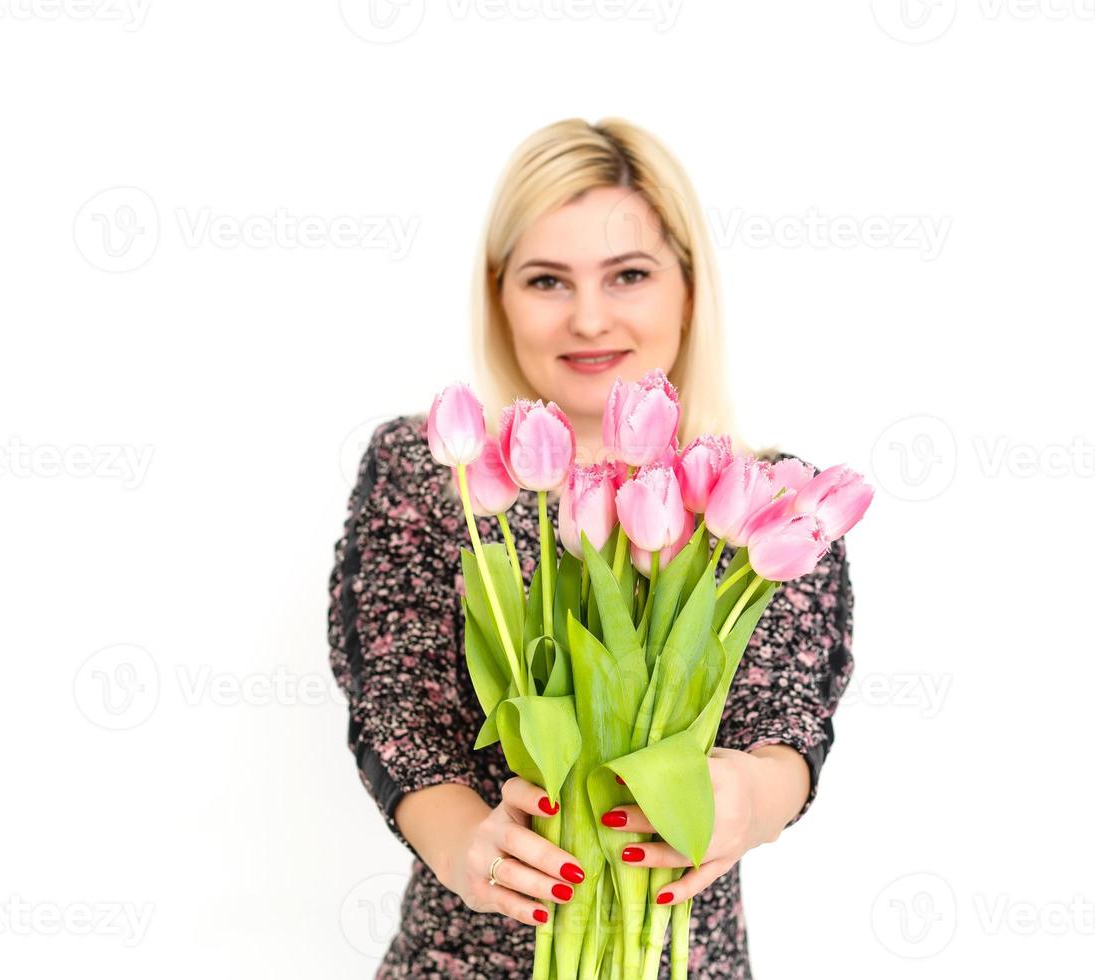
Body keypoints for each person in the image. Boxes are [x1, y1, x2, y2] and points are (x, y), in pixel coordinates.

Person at [327, 117, 856, 979]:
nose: (587, 317)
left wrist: (747, 801)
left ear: (689, 288)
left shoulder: (766, 503)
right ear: (499, 293)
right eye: (546, 280)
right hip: (456, 961)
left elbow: (787, 726)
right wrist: (469, 848)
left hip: (680, 959)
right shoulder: (431, 473)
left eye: (629, 275)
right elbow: (398, 715)